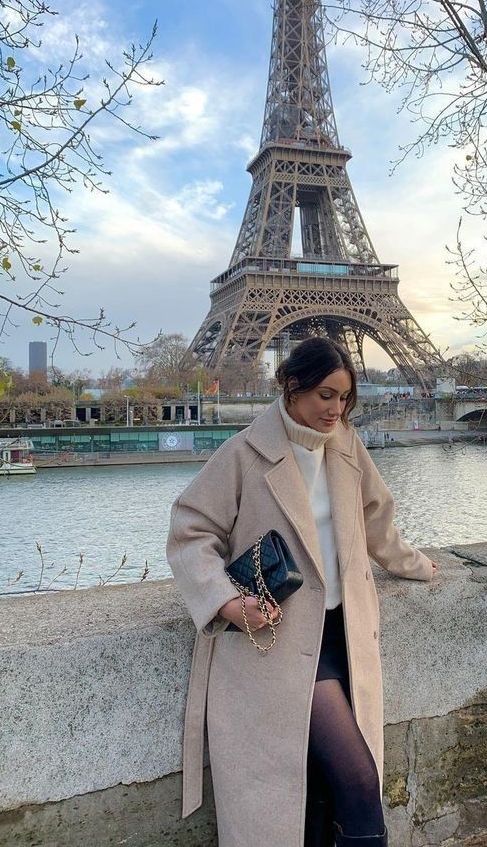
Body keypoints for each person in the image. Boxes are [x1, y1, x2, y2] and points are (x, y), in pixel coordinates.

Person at [167, 337, 438, 847]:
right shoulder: (244, 453)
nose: (336, 409)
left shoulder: (346, 446)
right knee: (359, 783)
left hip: (344, 633)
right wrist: (226, 602)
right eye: (324, 395)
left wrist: (415, 564)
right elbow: (190, 531)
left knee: (319, 794)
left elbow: (376, 521)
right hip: (283, 643)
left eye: (345, 398)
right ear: (291, 388)